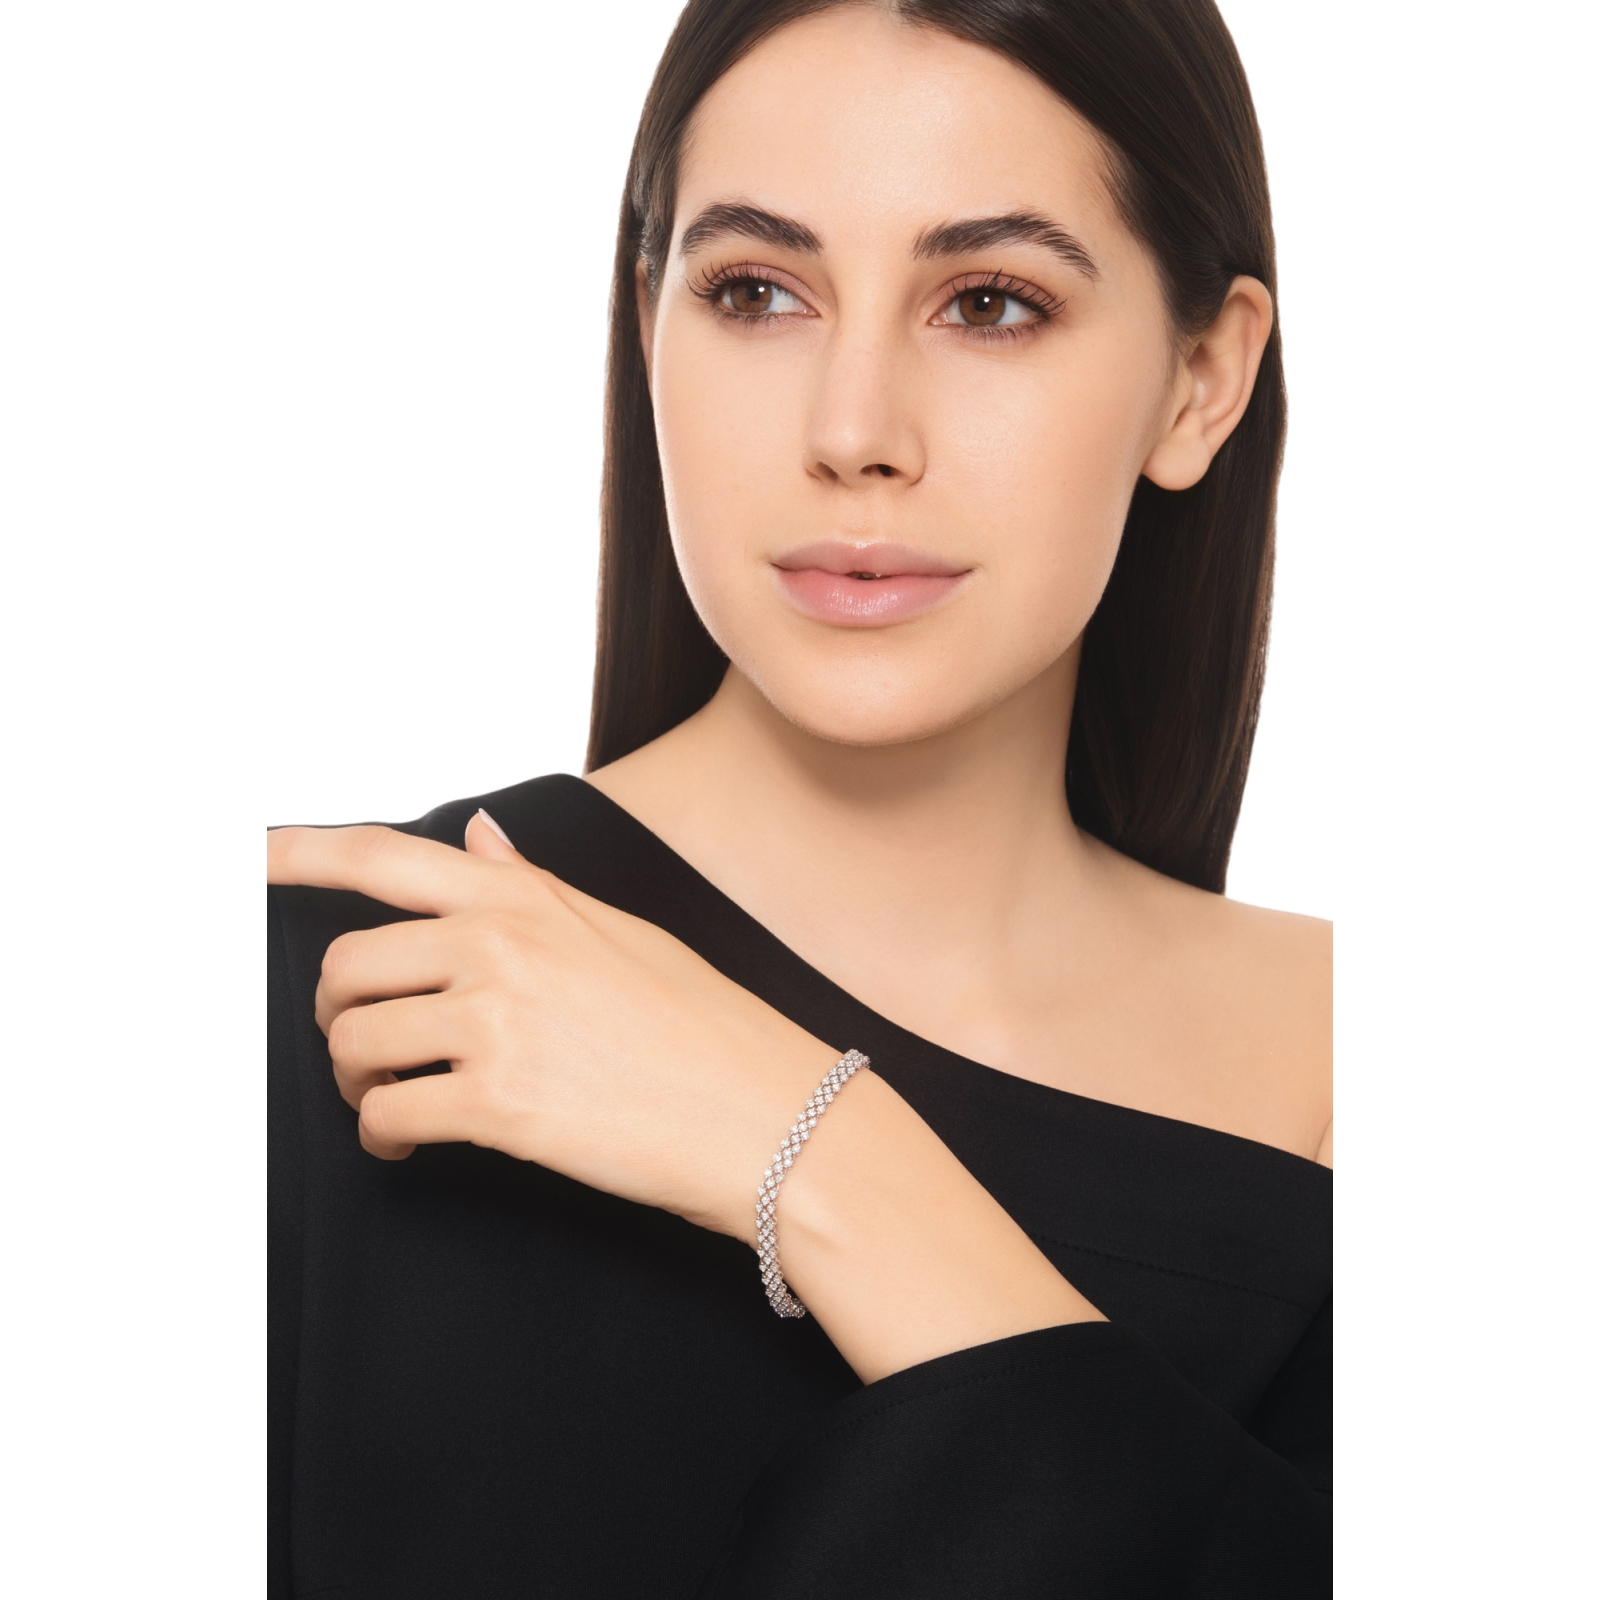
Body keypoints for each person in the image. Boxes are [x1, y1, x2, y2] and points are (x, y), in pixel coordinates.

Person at [267, 1, 1332, 1594]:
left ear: (1200, 381)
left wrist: (818, 1159)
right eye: (756, 292)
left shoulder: (1380, 1084)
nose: (853, 433)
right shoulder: (345, 991)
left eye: (989, 303)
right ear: (650, 326)